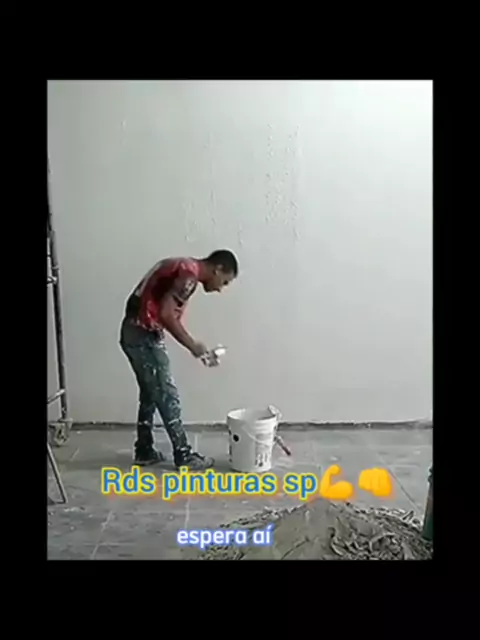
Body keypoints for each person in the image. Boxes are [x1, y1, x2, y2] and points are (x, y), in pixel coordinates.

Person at [119, 249, 238, 470]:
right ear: (218, 268)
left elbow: (160, 309)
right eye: (224, 282)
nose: (220, 288)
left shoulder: (182, 266)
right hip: (143, 334)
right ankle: (183, 455)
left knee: (150, 392)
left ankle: (144, 450)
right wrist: (192, 345)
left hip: (134, 331)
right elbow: (166, 314)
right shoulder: (189, 275)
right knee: (167, 394)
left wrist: (195, 348)